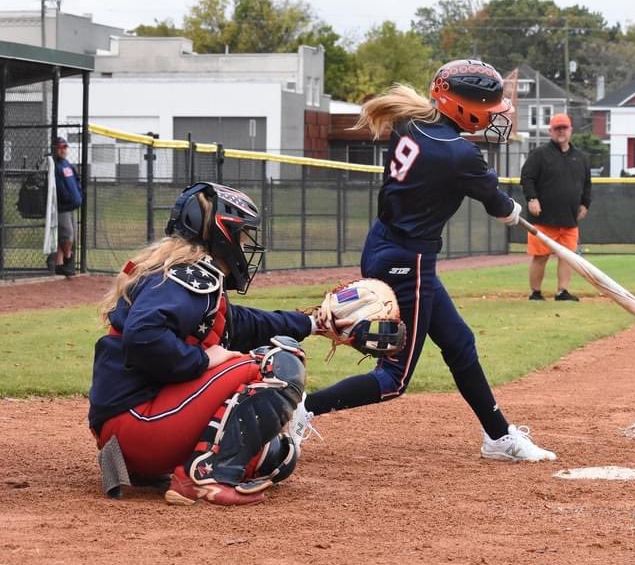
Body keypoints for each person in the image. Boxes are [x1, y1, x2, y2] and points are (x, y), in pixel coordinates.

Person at [303, 59, 556, 462]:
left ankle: (498, 436)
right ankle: (297, 411)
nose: (496, 112)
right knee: (393, 378)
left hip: (385, 244)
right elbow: (499, 205)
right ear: (460, 105)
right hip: (409, 260)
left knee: (459, 343)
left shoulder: (412, 123)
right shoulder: (458, 154)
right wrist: (510, 208)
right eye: (488, 104)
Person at [89, 182, 319, 506]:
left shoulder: (179, 274)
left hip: (131, 432)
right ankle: (207, 475)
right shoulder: (189, 277)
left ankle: (192, 467)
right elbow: (143, 336)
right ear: (221, 233)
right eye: (241, 235)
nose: (244, 245)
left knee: (275, 457)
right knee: (279, 363)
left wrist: (313, 323)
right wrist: (203, 359)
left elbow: (239, 324)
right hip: (138, 424)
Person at [520, 113, 592, 302]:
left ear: (571, 130)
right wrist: (532, 198)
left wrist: (585, 203)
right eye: (557, 128)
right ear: (551, 131)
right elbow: (527, 178)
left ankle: (562, 291)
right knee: (540, 256)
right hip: (543, 218)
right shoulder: (540, 154)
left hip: (569, 218)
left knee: (567, 257)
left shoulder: (580, 157)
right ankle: (535, 293)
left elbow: (587, 183)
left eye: (564, 128)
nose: (561, 132)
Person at [51, 136, 83, 277]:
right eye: (60, 147)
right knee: (67, 235)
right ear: (55, 149)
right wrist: (67, 197)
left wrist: (79, 194)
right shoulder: (54, 165)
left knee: (71, 236)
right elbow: (58, 186)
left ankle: (60, 264)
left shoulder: (67, 164)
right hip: (63, 207)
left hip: (72, 206)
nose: (63, 150)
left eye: (65, 147)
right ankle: (68, 259)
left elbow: (76, 179)